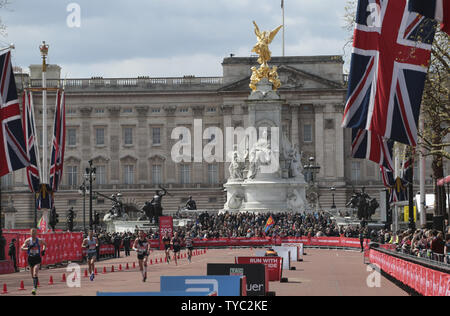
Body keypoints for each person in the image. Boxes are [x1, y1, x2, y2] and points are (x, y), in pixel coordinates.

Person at [21, 229, 47, 295]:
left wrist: (43, 250)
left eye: (35, 233)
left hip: (37, 258)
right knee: (32, 275)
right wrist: (28, 248)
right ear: (30, 234)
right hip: (30, 258)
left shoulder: (40, 240)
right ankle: (35, 283)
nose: (33, 235)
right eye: (32, 233)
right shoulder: (28, 241)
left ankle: (34, 289)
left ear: (36, 234)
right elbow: (22, 248)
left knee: (35, 273)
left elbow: (45, 244)